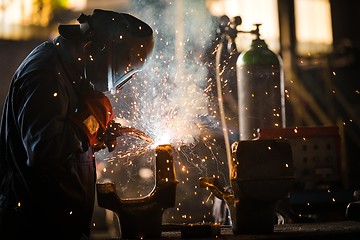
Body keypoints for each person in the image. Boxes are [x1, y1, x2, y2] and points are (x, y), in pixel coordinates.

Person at [0, 9, 154, 239]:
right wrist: (91, 122)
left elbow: (66, 136)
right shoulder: (46, 74)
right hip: (34, 228)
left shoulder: (73, 71)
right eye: (124, 67)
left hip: (60, 225)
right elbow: (43, 150)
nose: (122, 78)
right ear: (99, 50)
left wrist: (94, 135)